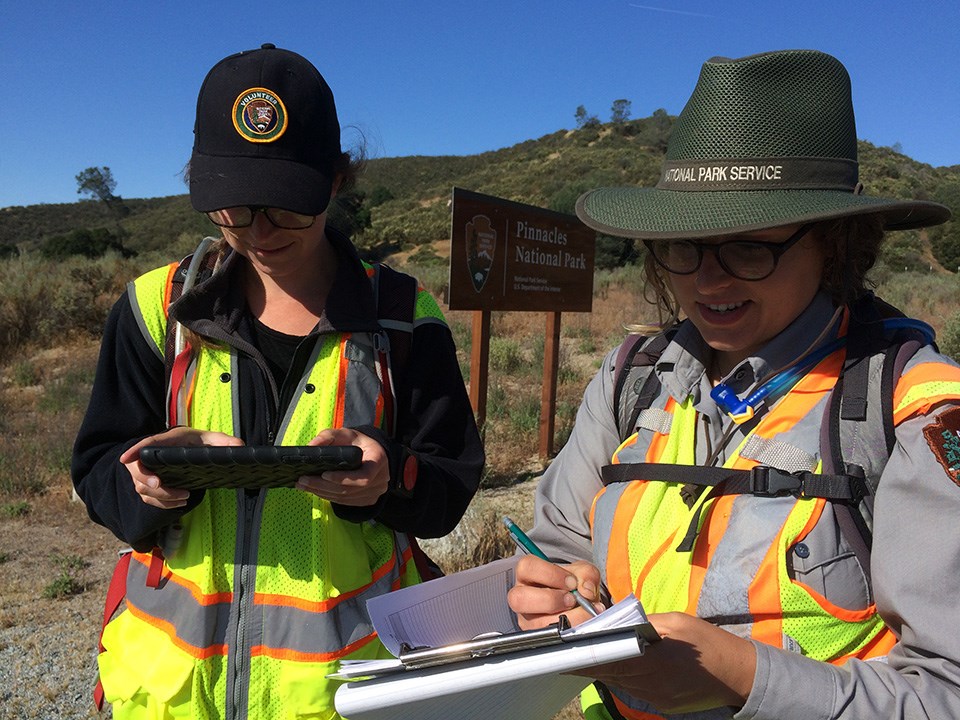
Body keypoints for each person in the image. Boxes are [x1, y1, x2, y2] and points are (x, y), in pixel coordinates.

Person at [507, 49, 960, 719]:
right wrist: (547, 590)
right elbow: (560, 545)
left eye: (750, 246)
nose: (707, 281)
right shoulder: (630, 378)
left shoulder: (911, 413)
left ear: (837, 244)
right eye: (683, 245)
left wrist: (748, 679)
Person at [72, 44, 484, 719]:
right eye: (234, 208)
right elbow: (97, 473)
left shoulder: (405, 321)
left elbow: (447, 488)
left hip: (339, 697)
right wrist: (146, 482)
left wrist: (388, 480)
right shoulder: (154, 310)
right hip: (170, 697)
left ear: (336, 181)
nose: (260, 232)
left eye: (289, 208)